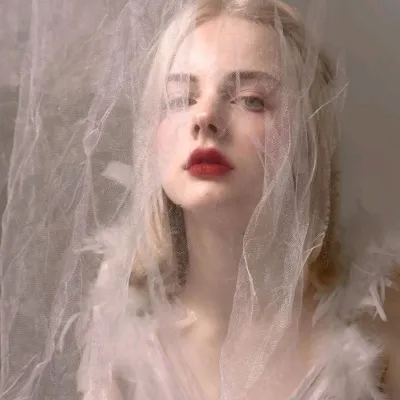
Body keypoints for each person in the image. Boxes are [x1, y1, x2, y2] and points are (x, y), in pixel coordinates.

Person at [0, 1, 399, 400]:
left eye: (251, 99)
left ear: (308, 139)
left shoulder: (381, 324)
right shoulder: (120, 345)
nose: (204, 117)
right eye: (180, 99)